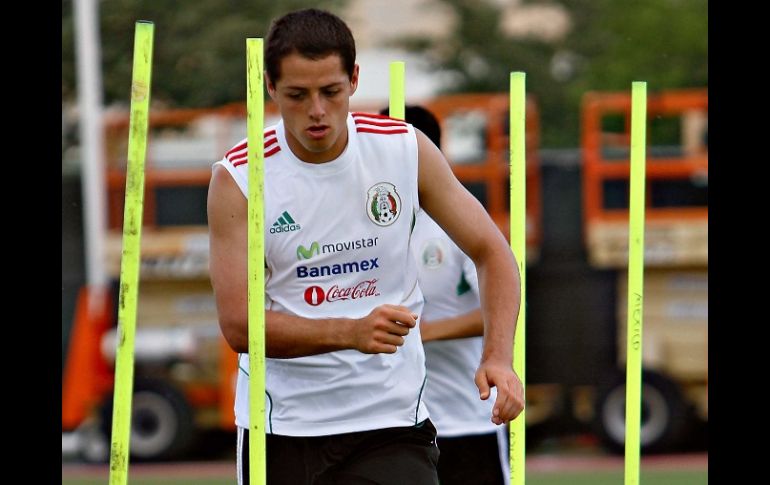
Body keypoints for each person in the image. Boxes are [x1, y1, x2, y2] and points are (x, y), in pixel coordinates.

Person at [207, 8, 524, 485]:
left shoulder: (403, 149)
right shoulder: (238, 179)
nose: (316, 111)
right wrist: (349, 332)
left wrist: (498, 356)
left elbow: (493, 252)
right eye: (297, 95)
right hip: (283, 426)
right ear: (270, 88)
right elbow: (238, 325)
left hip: (391, 420)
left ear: (353, 79)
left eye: (330, 92)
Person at [382, 105, 510, 484]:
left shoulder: (456, 222)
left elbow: (501, 306)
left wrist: (423, 332)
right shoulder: (372, 223)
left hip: (466, 420)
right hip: (395, 424)